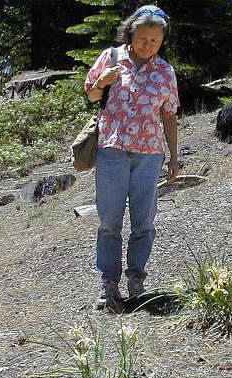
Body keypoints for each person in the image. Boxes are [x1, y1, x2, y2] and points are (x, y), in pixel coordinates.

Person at [84, 5, 180, 312]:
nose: (147, 45)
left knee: (143, 222)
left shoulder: (165, 72)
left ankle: (136, 280)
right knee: (109, 221)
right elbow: (91, 95)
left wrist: (174, 157)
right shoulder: (111, 59)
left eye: (154, 40)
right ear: (130, 34)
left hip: (149, 155)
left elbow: (168, 116)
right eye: (142, 38)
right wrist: (102, 82)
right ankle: (108, 284)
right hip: (112, 151)